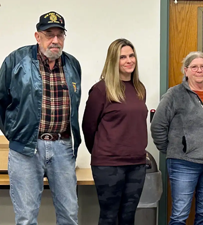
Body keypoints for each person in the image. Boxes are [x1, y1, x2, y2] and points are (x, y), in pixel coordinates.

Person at [0, 11, 81, 224]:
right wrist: (15, 134)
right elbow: (1, 101)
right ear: (37, 36)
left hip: (62, 147)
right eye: (49, 34)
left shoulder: (72, 65)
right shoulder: (16, 61)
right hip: (26, 148)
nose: (55, 40)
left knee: (69, 216)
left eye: (60, 35)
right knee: (26, 218)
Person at [151, 51, 203, 225]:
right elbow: (158, 126)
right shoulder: (174, 94)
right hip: (183, 164)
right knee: (179, 216)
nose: (198, 70)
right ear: (186, 71)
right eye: (194, 67)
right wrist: (173, 149)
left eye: (202, 66)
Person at [82, 38, 148, 224]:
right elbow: (88, 127)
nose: (129, 60)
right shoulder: (101, 89)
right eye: (123, 57)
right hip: (109, 165)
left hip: (136, 164)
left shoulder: (139, 88)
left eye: (131, 55)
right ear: (113, 61)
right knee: (109, 216)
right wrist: (102, 153)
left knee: (128, 217)